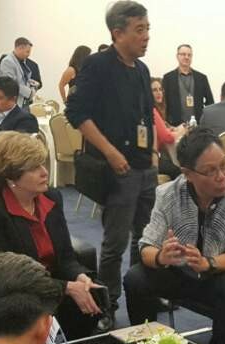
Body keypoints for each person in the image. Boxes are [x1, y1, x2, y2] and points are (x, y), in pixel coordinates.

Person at [124, 128, 225, 344]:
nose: (221, 176)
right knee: (135, 277)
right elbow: (146, 247)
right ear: (188, 173)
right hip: (176, 273)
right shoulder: (168, 193)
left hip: (215, 276)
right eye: (210, 171)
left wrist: (207, 263)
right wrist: (161, 257)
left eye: (224, 165)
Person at [0, 132, 103, 338]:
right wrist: (65, 287)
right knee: (36, 308)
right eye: (34, 168)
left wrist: (79, 276)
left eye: (42, 164)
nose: (44, 172)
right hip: (4, 293)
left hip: (43, 284)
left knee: (91, 294)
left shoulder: (51, 198)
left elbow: (66, 258)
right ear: (10, 177)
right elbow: (5, 278)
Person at [65, 0, 156, 307]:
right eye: (139, 30)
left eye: (147, 29)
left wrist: (153, 152)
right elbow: (76, 113)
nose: (146, 36)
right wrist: (110, 152)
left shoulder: (142, 69)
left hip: (144, 167)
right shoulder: (97, 65)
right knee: (115, 242)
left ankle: (141, 293)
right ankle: (108, 301)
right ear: (118, 33)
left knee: (145, 238)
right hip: (117, 169)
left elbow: (147, 115)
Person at [162, 44, 214, 125]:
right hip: (175, 126)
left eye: (189, 55)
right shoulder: (168, 78)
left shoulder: (201, 78)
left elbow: (210, 102)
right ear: (177, 56)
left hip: (198, 126)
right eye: (183, 54)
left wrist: (205, 119)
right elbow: (164, 103)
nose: (186, 57)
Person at [152, 77, 185, 178]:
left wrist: (170, 129)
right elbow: (167, 137)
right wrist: (183, 131)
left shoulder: (157, 110)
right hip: (153, 159)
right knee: (181, 171)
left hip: (158, 155)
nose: (158, 93)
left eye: (160, 89)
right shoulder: (152, 111)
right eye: (154, 90)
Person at [0, 37, 42, 107]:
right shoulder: (8, 61)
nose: (29, 55)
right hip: (12, 103)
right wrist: (29, 93)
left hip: (23, 102)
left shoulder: (21, 61)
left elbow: (22, 79)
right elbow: (10, 84)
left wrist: (31, 82)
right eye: (27, 52)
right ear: (20, 48)